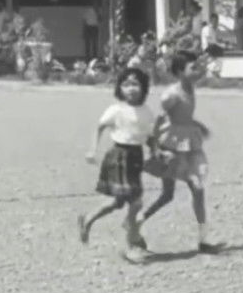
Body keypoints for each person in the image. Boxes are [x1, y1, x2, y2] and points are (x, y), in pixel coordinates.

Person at [137, 51, 224, 254]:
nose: (197, 70)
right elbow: (159, 121)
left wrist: (198, 125)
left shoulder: (190, 87)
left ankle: (203, 238)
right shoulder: (171, 95)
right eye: (192, 67)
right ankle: (137, 222)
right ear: (179, 72)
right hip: (172, 145)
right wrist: (155, 148)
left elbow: (184, 115)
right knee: (170, 194)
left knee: (192, 190)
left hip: (189, 143)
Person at [78, 67, 155, 263]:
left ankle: (88, 218)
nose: (131, 88)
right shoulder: (116, 110)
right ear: (120, 88)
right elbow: (99, 127)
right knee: (136, 202)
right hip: (119, 157)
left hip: (136, 157)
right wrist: (92, 149)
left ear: (143, 87)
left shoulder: (146, 111)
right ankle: (131, 244)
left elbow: (148, 136)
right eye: (126, 84)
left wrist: (157, 152)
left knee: (118, 202)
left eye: (135, 84)